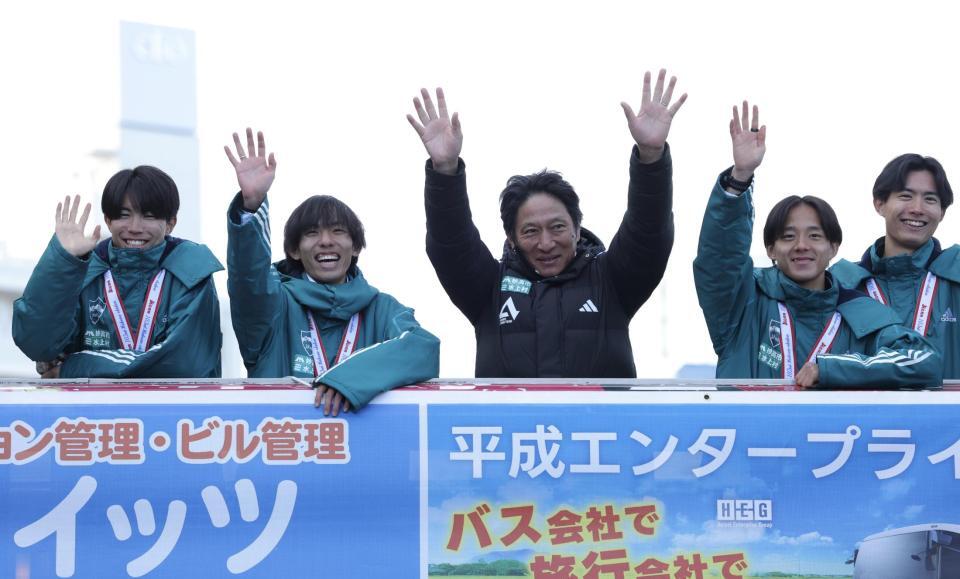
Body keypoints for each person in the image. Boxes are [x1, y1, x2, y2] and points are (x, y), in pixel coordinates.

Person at [407, 69, 683, 377]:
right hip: (515, 428)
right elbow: (451, 243)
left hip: (598, 428)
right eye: (530, 231)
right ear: (511, 238)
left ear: (578, 230)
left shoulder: (611, 281)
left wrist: (651, 155)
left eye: (558, 227)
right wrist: (444, 170)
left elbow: (648, 232)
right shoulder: (488, 288)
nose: (546, 242)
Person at [693, 102, 941, 388]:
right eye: (788, 236)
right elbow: (719, 259)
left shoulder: (861, 313)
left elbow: (924, 361)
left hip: (832, 436)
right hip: (747, 434)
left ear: (834, 248)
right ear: (771, 249)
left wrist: (834, 369)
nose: (801, 245)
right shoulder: (743, 302)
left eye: (814, 236)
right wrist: (739, 179)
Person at [224, 128, 440, 415]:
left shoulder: (382, 309)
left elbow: (422, 348)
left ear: (355, 248)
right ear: (294, 251)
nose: (326, 241)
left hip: (359, 453)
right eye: (312, 233)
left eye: (338, 231)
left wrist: (348, 381)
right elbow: (248, 280)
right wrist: (251, 207)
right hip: (279, 447)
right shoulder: (275, 305)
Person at [13, 166, 224, 378]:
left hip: (176, 410)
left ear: (170, 223)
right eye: (124, 215)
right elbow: (37, 344)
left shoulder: (192, 272)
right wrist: (63, 262)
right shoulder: (82, 272)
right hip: (87, 411)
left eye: (149, 217)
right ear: (108, 220)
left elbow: (184, 362)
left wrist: (75, 367)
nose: (134, 227)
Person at [831, 154, 959, 378]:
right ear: (879, 204)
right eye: (905, 196)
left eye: (930, 199)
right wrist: (744, 180)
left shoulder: (955, 272)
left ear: (942, 212)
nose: (917, 209)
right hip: (868, 414)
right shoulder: (842, 284)